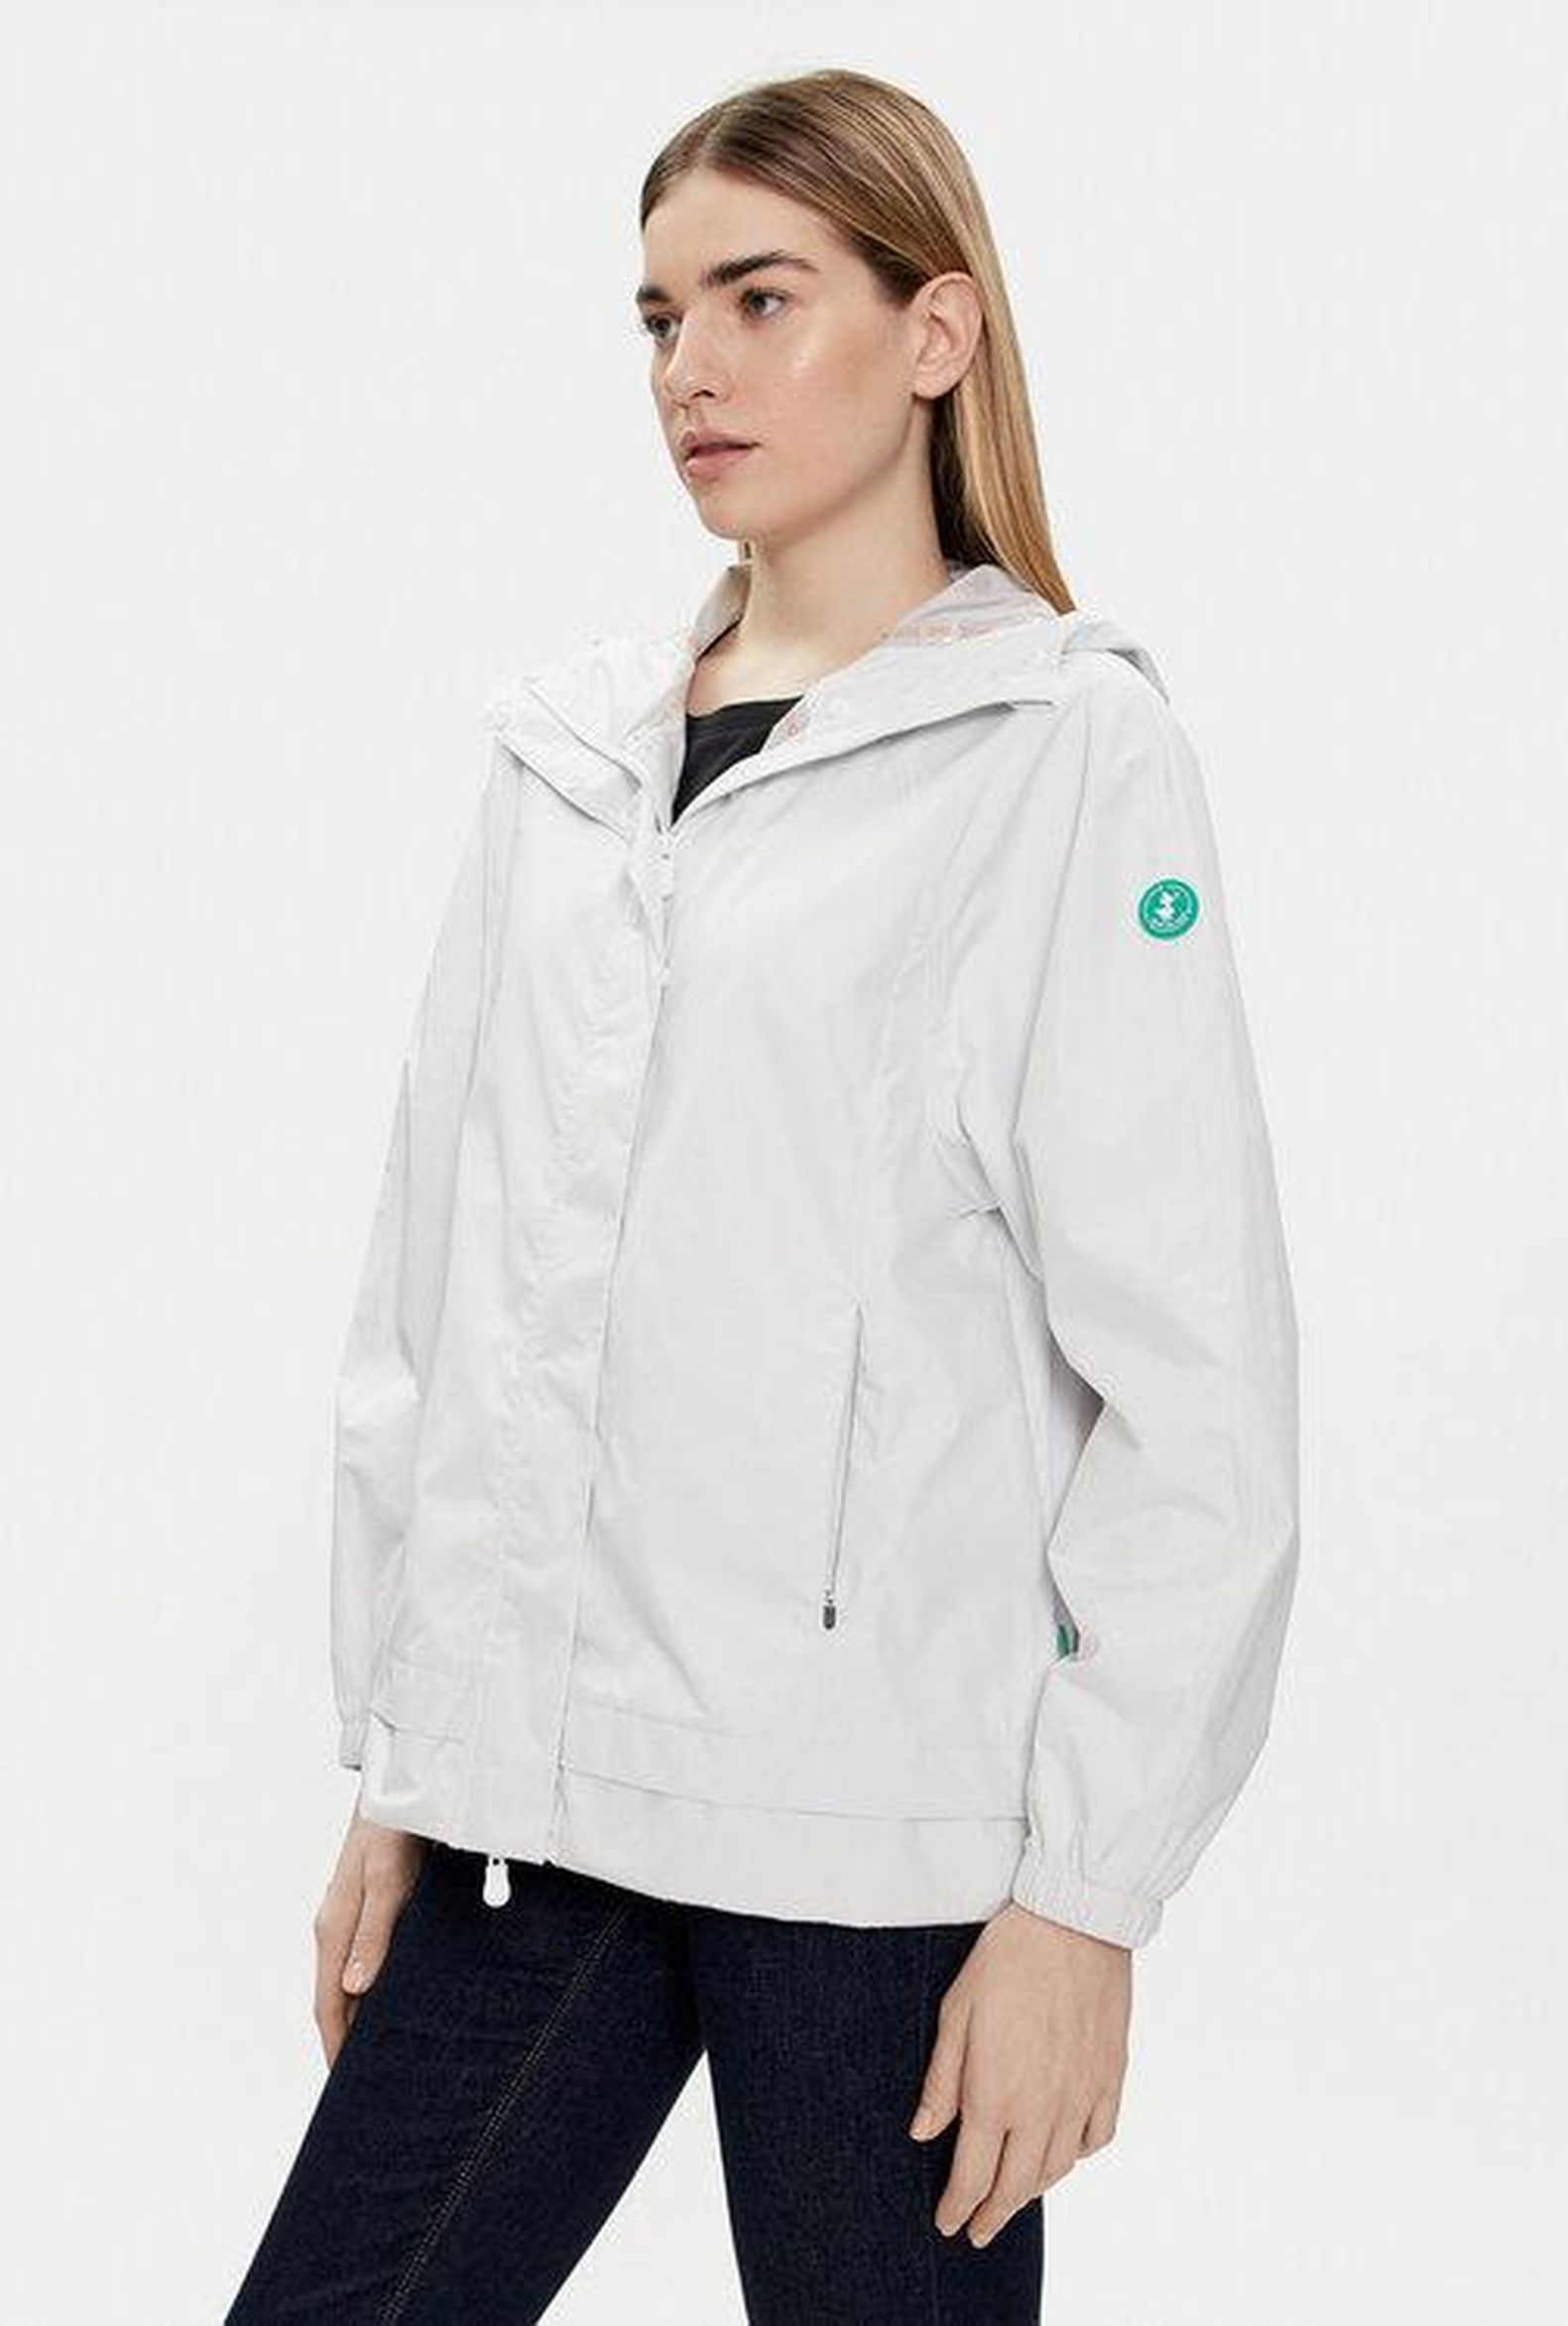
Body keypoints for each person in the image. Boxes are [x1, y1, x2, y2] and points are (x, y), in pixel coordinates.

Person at [226, 63, 1300, 2325]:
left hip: (872, 1842)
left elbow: (1192, 1383)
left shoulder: (1062, 751)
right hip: (539, 1809)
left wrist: (1085, 1904)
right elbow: (442, 1297)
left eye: (759, 297)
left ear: (936, 333)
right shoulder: (566, 762)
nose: (689, 368)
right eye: (657, 316)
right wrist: (409, 1760)